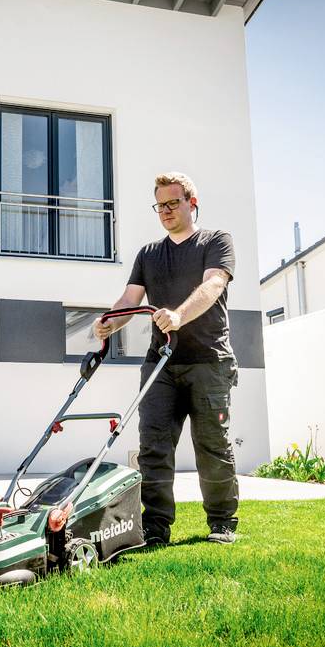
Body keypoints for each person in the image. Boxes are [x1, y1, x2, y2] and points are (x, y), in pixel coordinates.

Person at [94, 172, 240, 545]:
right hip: (161, 362)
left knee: (212, 445)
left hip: (209, 361)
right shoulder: (149, 254)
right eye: (160, 204)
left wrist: (177, 315)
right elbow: (130, 299)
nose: (165, 210)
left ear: (192, 203)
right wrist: (110, 322)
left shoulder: (215, 241)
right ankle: (156, 526)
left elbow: (213, 285)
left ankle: (222, 522)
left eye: (173, 203)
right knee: (153, 446)